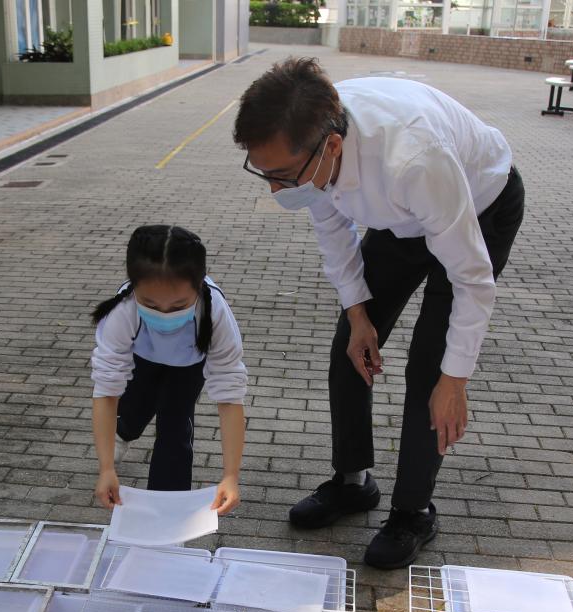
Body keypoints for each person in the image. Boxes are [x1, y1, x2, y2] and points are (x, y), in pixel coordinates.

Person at [232, 58, 525, 570]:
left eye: (281, 176)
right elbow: (332, 230)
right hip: (401, 217)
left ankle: (413, 512)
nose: (276, 190)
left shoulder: (414, 158)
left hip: (479, 207)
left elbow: (472, 281)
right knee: (350, 346)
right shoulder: (314, 143)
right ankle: (352, 482)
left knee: (430, 370)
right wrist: (358, 315)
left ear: (332, 147)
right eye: (263, 173)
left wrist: (456, 380)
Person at [91, 225, 247, 515]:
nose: (164, 313)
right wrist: (106, 468)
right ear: (133, 286)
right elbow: (106, 391)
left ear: (199, 286)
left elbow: (229, 395)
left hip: (189, 365)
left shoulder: (215, 312)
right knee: (135, 407)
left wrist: (230, 475)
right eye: (149, 303)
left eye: (179, 305)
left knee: (175, 426)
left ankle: (167, 513)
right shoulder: (122, 310)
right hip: (141, 357)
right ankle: (123, 432)